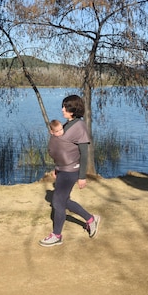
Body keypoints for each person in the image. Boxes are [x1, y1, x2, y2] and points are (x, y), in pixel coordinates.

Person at [39, 94, 101, 247]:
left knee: (57, 202)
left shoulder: (79, 127)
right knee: (63, 201)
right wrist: (56, 168)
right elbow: (64, 149)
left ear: (73, 110)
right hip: (62, 170)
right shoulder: (67, 124)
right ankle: (91, 219)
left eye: (65, 107)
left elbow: (84, 153)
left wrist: (82, 177)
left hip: (71, 171)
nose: (62, 109)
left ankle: (57, 235)